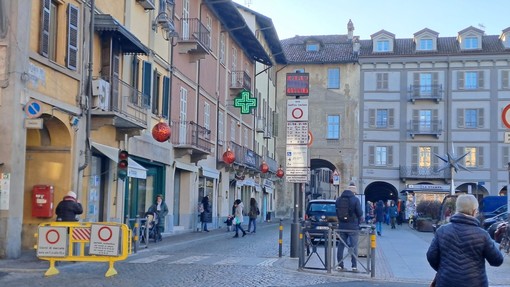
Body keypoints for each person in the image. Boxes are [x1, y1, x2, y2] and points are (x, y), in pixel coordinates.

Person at [426, 194, 503, 287]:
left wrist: (445, 270)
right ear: (475, 211)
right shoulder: (482, 235)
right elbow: (497, 260)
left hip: (446, 282)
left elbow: (431, 256)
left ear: (457, 209)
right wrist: (496, 242)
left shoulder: (442, 231)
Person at [335, 185, 363, 272]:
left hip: (342, 226)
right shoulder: (355, 199)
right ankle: (354, 266)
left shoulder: (338, 199)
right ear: (353, 192)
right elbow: (360, 213)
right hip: (353, 227)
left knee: (341, 245)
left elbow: (336, 212)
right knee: (354, 246)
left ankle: (340, 265)